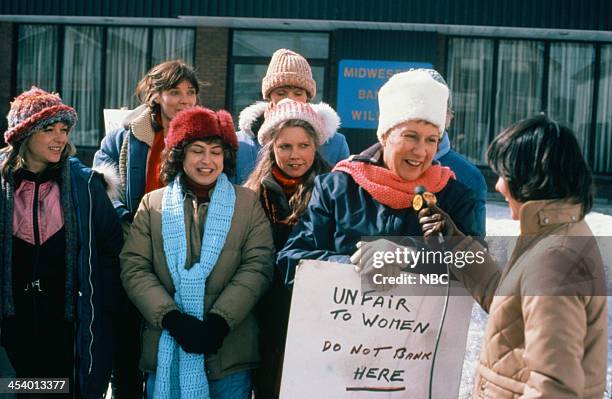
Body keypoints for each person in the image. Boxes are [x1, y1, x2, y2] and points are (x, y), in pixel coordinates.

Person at [419, 114, 608, 398]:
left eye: (504, 175)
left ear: (531, 179)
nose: (498, 186)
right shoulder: (559, 233)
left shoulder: (556, 260)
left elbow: (554, 388)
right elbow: (510, 303)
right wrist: (455, 242)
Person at [120, 106, 274, 399]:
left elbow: (259, 265)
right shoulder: (153, 204)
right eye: (197, 151)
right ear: (180, 155)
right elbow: (134, 268)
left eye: (216, 152)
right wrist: (172, 320)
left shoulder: (248, 203)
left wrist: (220, 321)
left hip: (229, 353)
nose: (207, 160)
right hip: (166, 349)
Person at [277, 69, 480, 284]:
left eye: (431, 140)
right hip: (343, 315)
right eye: (410, 136)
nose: (421, 151)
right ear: (384, 135)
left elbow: (476, 268)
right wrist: (354, 264)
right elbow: (291, 259)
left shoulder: (454, 196)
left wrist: (408, 256)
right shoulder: (336, 188)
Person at [0, 87, 123, 398]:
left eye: (64, 129)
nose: (60, 138)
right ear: (24, 134)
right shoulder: (3, 187)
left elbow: (112, 247)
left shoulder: (86, 187)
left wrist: (99, 300)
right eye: (49, 130)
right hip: (13, 329)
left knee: (58, 391)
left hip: (67, 328)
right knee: (18, 390)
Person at [93, 59, 200, 397]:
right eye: (174, 92)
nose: (184, 100)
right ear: (155, 95)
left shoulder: (203, 133)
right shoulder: (126, 135)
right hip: (132, 246)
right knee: (126, 339)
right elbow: (102, 182)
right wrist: (126, 216)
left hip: (183, 254)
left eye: (191, 92)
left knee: (172, 336)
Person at [243, 98, 336, 398]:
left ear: (316, 146)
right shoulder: (253, 193)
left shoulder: (335, 190)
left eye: (303, 146)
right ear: (271, 147)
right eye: (285, 146)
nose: (295, 155)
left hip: (320, 317)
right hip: (266, 318)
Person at [234, 48, 349, 184]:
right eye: (281, 93)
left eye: (298, 93)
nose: (289, 99)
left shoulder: (335, 144)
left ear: (308, 97)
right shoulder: (241, 143)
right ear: (269, 96)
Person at [428, 70, 487, 236]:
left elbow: (475, 254)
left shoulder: (468, 177)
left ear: (448, 115)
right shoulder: (365, 172)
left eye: (434, 108)